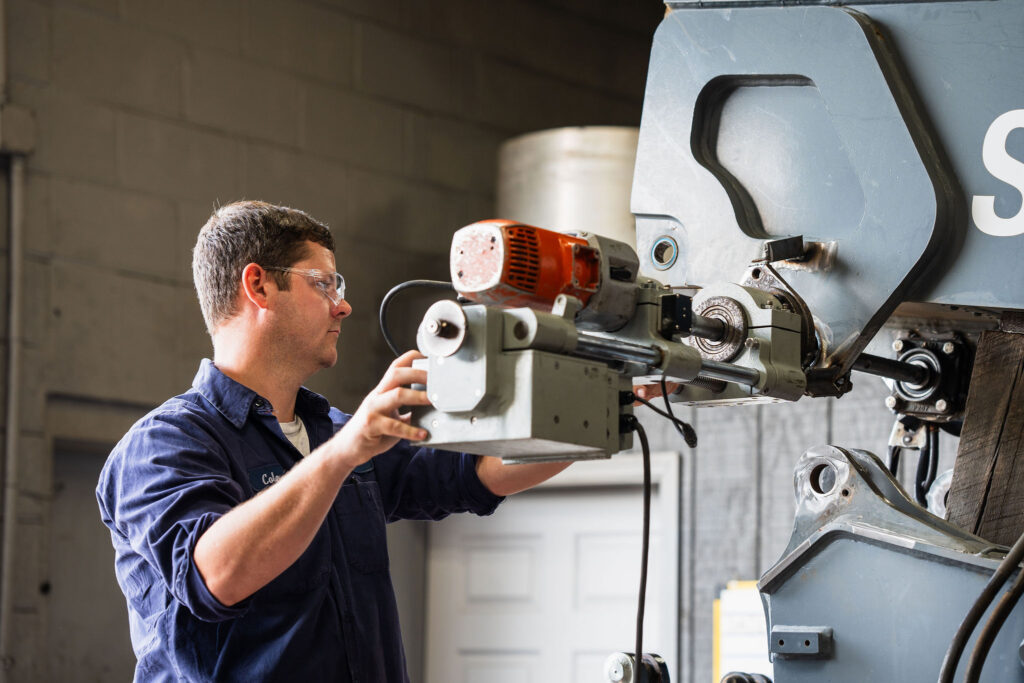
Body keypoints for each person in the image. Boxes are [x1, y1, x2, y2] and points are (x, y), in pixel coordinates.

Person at [96, 201, 572, 682]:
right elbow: (217, 576)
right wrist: (345, 453)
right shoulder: (163, 446)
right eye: (323, 284)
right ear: (258, 285)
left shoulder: (335, 432)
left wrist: (600, 403)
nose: (342, 305)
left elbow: (480, 472)